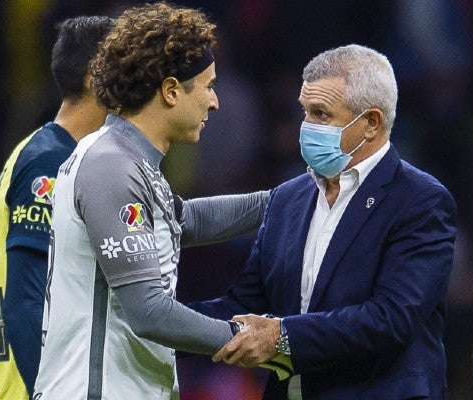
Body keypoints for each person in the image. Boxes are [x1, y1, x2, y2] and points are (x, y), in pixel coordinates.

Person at [192, 44, 458, 399]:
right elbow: (245, 306)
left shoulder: (420, 200)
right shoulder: (288, 198)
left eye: (321, 114)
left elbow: (393, 318)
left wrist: (281, 336)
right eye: (304, 112)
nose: (306, 127)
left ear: (371, 123)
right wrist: (158, 324)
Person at [33, 2, 269, 399]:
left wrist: (293, 200)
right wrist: (247, 338)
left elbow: (188, 219)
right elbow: (150, 313)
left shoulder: (131, 162)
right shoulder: (111, 167)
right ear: (172, 91)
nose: (215, 102)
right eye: (208, 87)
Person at [0, 16, 114, 399]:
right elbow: (25, 302)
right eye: (127, 68)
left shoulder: (57, 155)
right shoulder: (48, 164)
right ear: (96, 76)